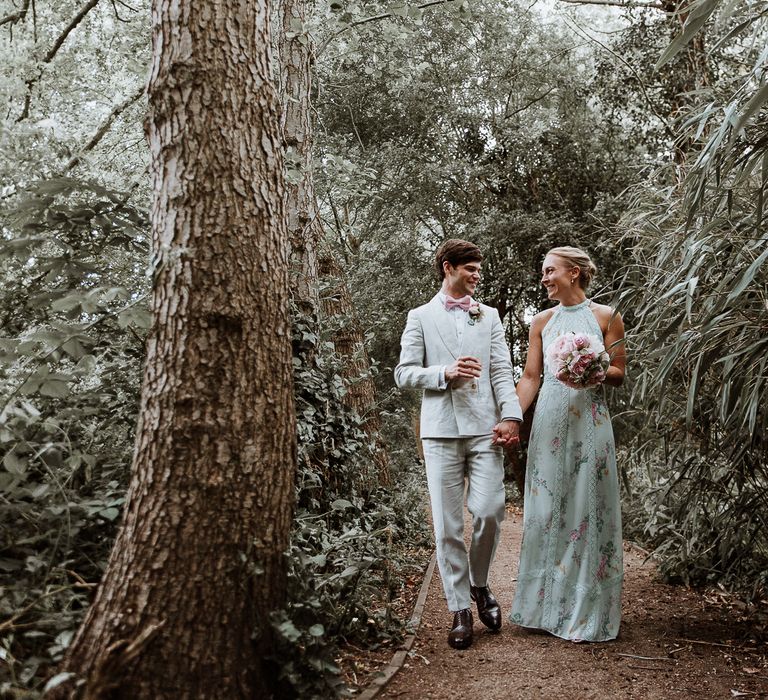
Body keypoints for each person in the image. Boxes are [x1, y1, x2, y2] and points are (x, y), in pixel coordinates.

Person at [395, 239, 523, 650]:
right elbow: (403, 373)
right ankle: (459, 610)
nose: (477, 275)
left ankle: (480, 584)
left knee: (490, 511)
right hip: (439, 432)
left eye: (479, 269)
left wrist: (510, 415)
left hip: (485, 429)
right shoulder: (419, 317)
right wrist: (443, 372)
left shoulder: (488, 317)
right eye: (470, 268)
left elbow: (502, 371)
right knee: (448, 525)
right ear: (448, 267)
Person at [499, 246, 626, 642]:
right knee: (547, 506)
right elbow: (531, 377)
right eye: (543, 272)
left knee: (589, 504)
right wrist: (511, 416)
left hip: (591, 417)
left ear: (573, 273)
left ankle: (587, 610)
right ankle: (543, 607)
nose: (544, 278)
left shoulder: (608, 316)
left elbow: (620, 372)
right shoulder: (541, 321)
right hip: (552, 420)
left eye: (549, 271)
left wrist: (594, 369)